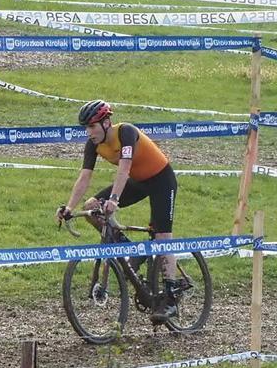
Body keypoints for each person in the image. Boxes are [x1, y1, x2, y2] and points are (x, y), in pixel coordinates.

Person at [57, 100, 187, 311]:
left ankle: (171, 297)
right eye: (86, 128)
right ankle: (131, 250)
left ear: (106, 122)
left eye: (92, 126)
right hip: (138, 181)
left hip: (161, 180)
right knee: (92, 206)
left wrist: (114, 199)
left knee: (162, 236)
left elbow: (124, 168)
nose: (89, 132)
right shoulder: (93, 144)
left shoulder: (126, 132)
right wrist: (69, 208)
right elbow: (84, 177)